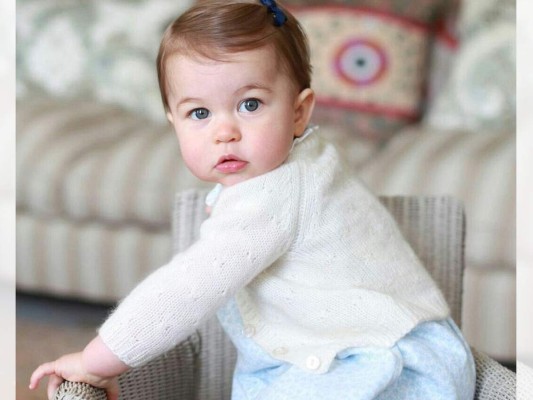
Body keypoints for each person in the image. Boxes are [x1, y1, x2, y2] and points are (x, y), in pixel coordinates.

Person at [30, 1, 476, 399]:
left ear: (299, 111)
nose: (225, 131)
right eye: (199, 113)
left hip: (385, 369)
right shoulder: (306, 165)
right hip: (387, 350)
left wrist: (96, 361)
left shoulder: (274, 194)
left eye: (250, 105)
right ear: (174, 121)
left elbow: (187, 289)